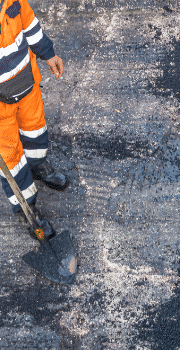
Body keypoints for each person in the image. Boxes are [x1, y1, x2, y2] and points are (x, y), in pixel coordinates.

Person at [0, 0, 68, 238]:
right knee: (10, 157)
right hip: (0, 108)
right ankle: (26, 206)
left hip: (26, 83)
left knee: (35, 128)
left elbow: (30, 26)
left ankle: (37, 165)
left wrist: (48, 54)